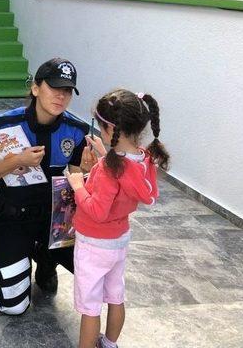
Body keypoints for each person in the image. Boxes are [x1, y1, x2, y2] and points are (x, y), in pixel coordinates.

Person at [0, 58, 89, 315]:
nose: (61, 96)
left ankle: (47, 261)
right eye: (54, 88)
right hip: (14, 216)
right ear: (36, 88)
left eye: (67, 91)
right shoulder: (7, 125)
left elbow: (76, 179)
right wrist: (17, 160)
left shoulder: (75, 130)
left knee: (92, 270)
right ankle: (18, 249)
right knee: (13, 307)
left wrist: (90, 170)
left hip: (56, 219)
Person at [66, 90, 168, 348]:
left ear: (110, 129)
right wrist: (104, 155)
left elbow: (98, 211)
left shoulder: (109, 168)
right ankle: (110, 344)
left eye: (101, 127)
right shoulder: (143, 158)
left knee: (90, 308)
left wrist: (79, 184)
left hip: (93, 244)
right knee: (115, 297)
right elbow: (124, 180)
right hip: (119, 241)